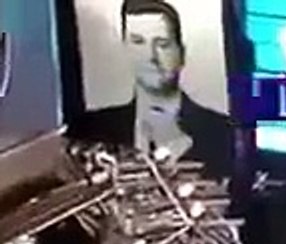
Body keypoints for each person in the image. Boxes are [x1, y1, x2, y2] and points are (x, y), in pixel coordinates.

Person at [75, 0, 231, 174]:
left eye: (162, 44)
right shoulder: (87, 131)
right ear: (125, 48)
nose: (150, 56)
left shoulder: (226, 133)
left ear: (181, 53)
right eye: (138, 42)